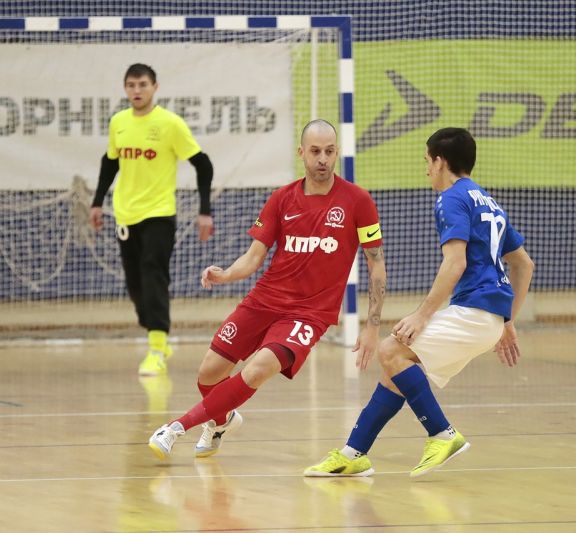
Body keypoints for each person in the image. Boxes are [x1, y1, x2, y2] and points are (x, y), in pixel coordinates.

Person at [147, 119, 387, 460]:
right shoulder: (282, 198)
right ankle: (222, 421)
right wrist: (225, 275)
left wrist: (373, 326)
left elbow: (376, 265)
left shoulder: (358, 201)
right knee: (209, 375)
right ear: (301, 153)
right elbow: (254, 257)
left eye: (329, 151)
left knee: (258, 369)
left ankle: (175, 428)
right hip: (264, 300)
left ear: (337, 153)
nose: (323, 159)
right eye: (315, 151)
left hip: (309, 314)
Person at [304, 127, 535, 478]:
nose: (426, 169)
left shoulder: (451, 198)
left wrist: (422, 315)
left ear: (440, 162)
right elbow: (523, 264)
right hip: (485, 316)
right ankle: (354, 453)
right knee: (396, 369)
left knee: (390, 350)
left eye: (427, 161)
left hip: (474, 311)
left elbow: (455, 263)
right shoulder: (488, 201)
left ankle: (442, 433)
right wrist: (508, 320)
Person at [90, 63, 215, 376]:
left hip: (159, 213)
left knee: (152, 273)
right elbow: (110, 163)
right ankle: (156, 334)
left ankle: (156, 349)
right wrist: (97, 202)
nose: (137, 90)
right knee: (135, 285)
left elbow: (203, 164)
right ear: (125, 88)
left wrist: (204, 210)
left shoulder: (170, 124)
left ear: (155, 88)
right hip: (125, 214)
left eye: (142, 84)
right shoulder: (118, 122)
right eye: (131, 85)